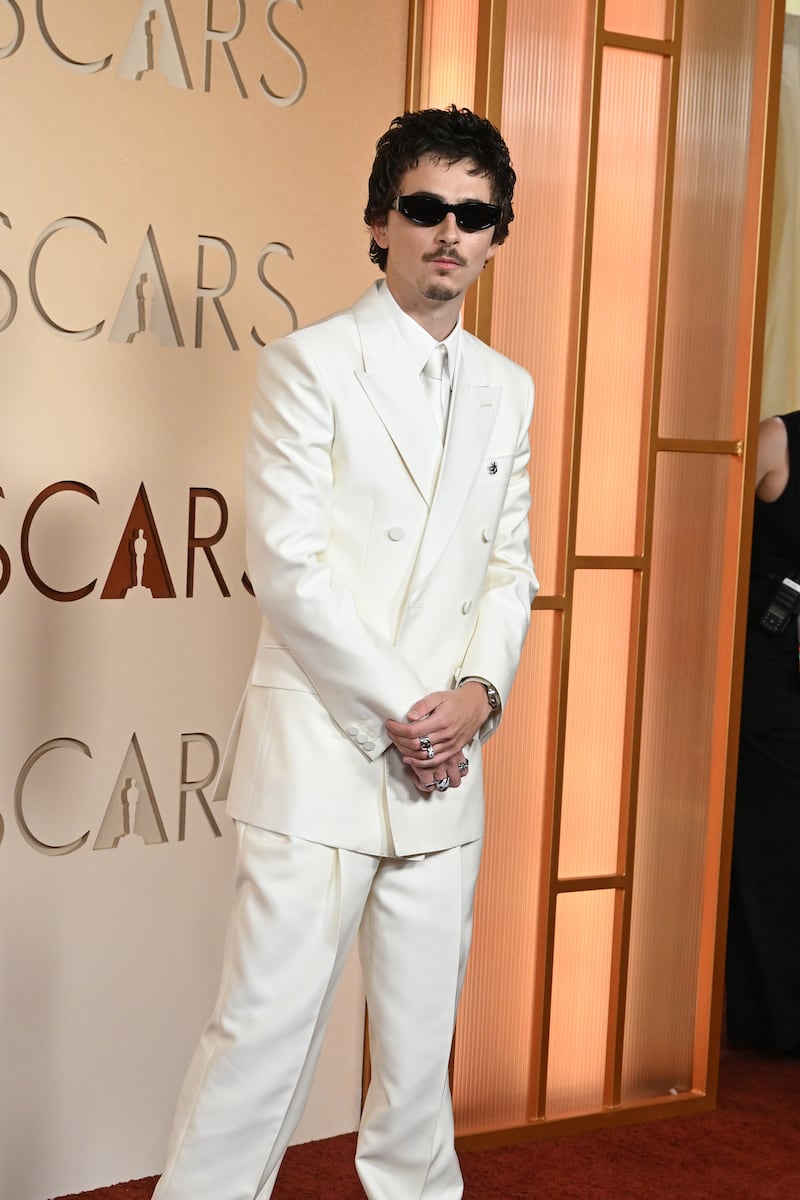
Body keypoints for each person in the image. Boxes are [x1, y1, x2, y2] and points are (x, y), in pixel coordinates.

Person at [152, 105, 538, 1200]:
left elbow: (510, 569)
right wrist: (411, 713)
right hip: (323, 755)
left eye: (473, 213)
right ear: (378, 222)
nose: (448, 232)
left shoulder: (508, 390)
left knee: (417, 1081)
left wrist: (476, 695)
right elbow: (289, 569)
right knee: (259, 1049)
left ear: (496, 234)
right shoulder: (306, 366)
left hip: (443, 776)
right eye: (425, 208)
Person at [726, 412, 800, 1057]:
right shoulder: (778, 437)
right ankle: (770, 1018)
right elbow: (704, 528)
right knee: (774, 840)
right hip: (775, 679)